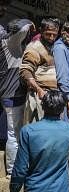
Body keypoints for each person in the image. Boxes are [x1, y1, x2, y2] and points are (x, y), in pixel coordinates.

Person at [1, 19, 34, 176]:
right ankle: (12, 169)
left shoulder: (15, 47)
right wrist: (30, 22)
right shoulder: (9, 43)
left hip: (15, 95)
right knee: (13, 133)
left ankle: (18, 166)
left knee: (17, 131)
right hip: (11, 96)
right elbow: (22, 29)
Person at [20, 18, 59, 124]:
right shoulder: (34, 48)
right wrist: (39, 90)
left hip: (51, 98)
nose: (51, 38)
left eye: (54, 35)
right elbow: (25, 71)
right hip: (38, 97)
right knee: (37, 131)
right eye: (48, 34)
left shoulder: (52, 48)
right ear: (41, 31)